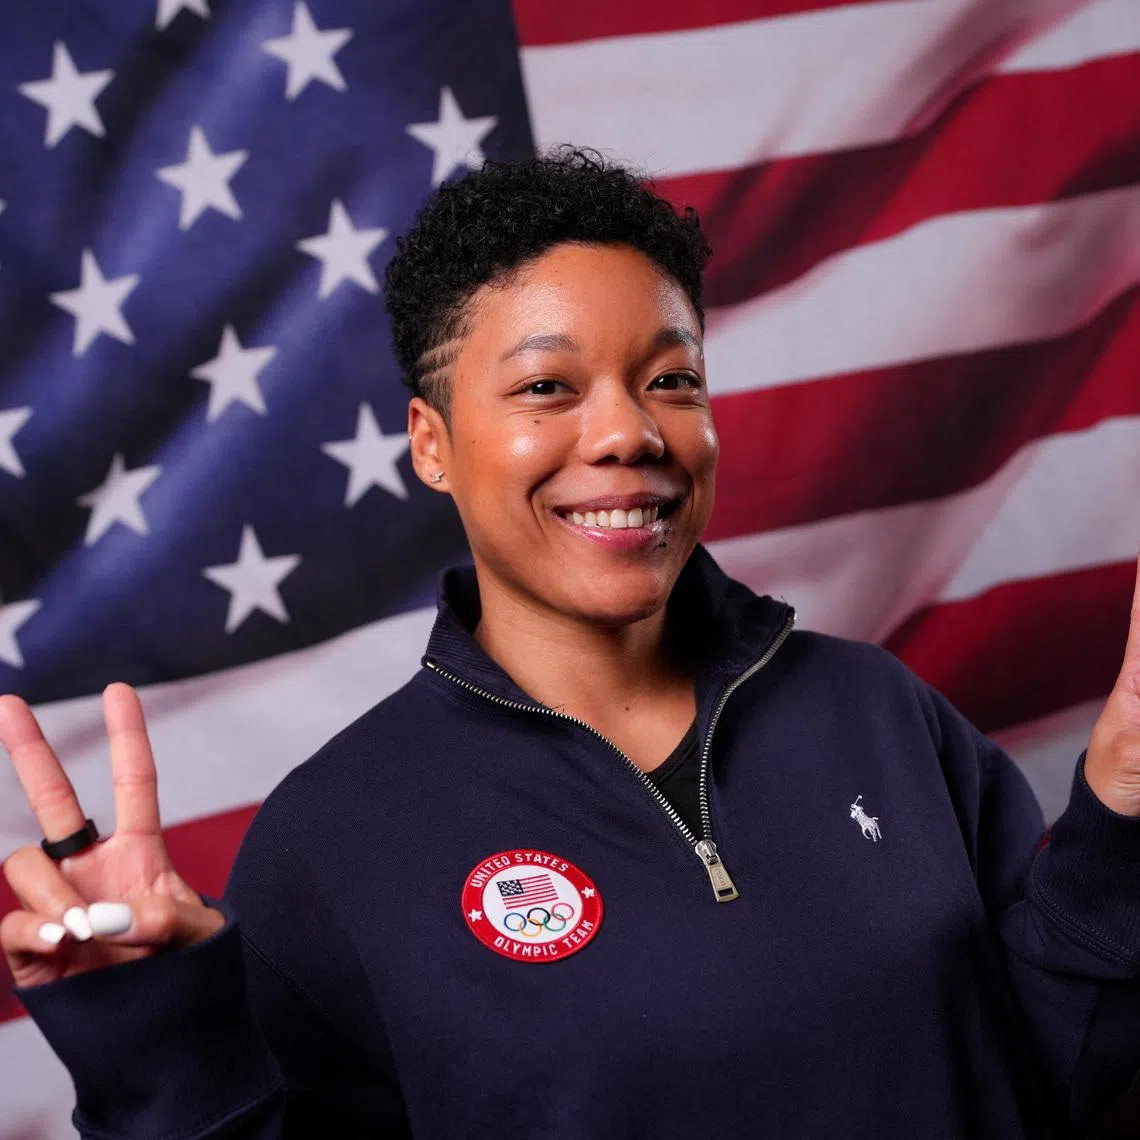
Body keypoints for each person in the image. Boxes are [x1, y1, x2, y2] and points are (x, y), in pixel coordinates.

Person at [3, 148, 1140, 1140]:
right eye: (548, 386)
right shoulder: (331, 845)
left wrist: (1124, 811)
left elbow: (1052, 1078)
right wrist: (158, 1046)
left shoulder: (879, 713)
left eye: (671, 379)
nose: (629, 432)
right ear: (433, 445)